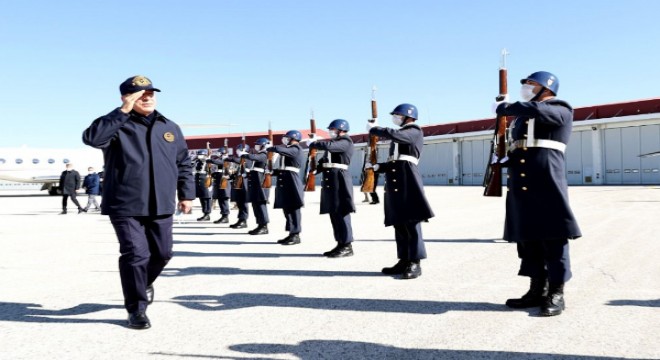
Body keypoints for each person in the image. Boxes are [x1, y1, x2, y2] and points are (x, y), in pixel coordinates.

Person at [82, 75, 194, 330]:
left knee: (163, 253)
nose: (148, 98)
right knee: (135, 255)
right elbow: (92, 138)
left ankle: (142, 281)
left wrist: (186, 194)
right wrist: (122, 110)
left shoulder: (169, 127)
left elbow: (183, 162)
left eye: (151, 93)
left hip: (161, 203)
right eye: (141, 95)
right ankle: (136, 309)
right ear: (127, 97)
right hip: (125, 203)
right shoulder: (116, 124)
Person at [493, 71, 581, 317]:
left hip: (546, 180)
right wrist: (506, 159)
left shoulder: (559, 107)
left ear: (546, 88)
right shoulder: (523, 115)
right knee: (528, 239)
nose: (526, 87)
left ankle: (556, 292)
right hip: (523, 183)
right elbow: (524, 146)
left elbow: (540, 113)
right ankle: (536, 289)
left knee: (553, 237)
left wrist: (509, 106)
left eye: (530, 84)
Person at [366, 103, 435, 279]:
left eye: (397, 115)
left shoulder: (413, 130)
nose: (395, 117)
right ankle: (404, 259)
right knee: (399, 222)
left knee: (411, 222)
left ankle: (415, 262)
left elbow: (395, 135)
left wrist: (376, 129)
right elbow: (394, 160)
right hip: (396, 179)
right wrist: (378, 166)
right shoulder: (401, 135)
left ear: (408, 116)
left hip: (408, 178)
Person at [308, 119, 356, 257]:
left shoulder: (345, 141)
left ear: (341, 130)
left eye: (333, 129)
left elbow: (327, 146)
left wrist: (315, 143)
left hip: (340, 179)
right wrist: (316, 169)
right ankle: (340, 243)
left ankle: (347, 245)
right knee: (334, 213)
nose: (331, 132)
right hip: (331, 180)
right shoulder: (333, 143)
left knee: (341, 212)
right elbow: (325, 161)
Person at [267, 130, 305, 245]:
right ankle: (291, 233)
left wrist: (272, 147)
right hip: (285, 179)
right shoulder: (288, 150)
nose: (285, 139)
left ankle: (296, 234)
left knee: (293, 208)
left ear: (294, 138)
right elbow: (284, 168)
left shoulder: (296, 149)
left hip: (292, 181)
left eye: (287, 138)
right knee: (287, 208)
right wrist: (272, 172)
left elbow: (280, 149)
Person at [241, 138, 271, 235]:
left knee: (260, 205)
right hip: (255, 183)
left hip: (261, 183)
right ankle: (259, 224)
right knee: (255, 205)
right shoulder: (259, 154)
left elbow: (254, 158)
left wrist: (245, 154)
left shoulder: (264, 154)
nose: (256, 146)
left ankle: (264, 226)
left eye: (258, 144)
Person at [228, 143, 251, 229]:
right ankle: (240, 219)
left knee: (243, 202)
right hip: (238, 182)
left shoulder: (248, 157)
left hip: (245, 183)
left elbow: (239, 161)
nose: (237, 151)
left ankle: (244, 220)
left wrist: (229, 158)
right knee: (239, 202)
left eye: (239, 149)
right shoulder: (241, 158)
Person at [208, 147, 231, 224]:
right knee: (220, 199)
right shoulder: (220, 160)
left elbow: (221, 163)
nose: (218, 154)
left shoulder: (226, 159)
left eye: (219, 152)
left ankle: (225, 216)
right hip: (219, 181)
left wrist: (210, 159)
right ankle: (223, 216)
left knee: (223, 199)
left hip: (224, 181)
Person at [193, 149, 212, 221]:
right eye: (198, 154)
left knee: (207, 198)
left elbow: (210, 173)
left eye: (201, 155)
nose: (199, 156)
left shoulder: (208, 162)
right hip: (199, 182)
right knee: (202, 198)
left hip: (205, 181)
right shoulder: (197, 161)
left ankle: (207, 214)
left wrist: (210, 184)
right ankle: (204, 213)